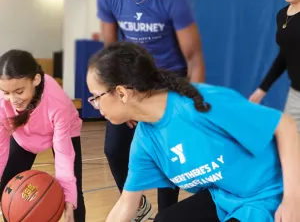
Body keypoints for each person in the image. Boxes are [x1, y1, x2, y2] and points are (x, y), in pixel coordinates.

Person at [86, 41, 300, 222]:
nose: (95, 104)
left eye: (96, 97)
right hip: (225, 198)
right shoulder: (145, 140)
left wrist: (293, 199)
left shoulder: (199, 104)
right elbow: (126, 204)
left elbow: (286, 125)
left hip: (270, 193)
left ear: (122, 93)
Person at [96, 0, 205, 220]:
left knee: (168, 156)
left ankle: (167, 214)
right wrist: (124, 98)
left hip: (168, 82)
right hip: (131, 80)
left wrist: (192, 107)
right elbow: (110, 52)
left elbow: (194, 58)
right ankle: (136, 204)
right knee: (113, 149)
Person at [0, 50, 86, 222]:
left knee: (73, 192)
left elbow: (63, 154)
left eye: (19, 91)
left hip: (63, 133)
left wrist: (69, 199)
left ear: (36, 80)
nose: (13, 99)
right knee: (6, 188)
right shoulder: (3, 101)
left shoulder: (57, 102)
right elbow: (0, 147)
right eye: (6, 92)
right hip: (24, 135)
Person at [249, 0, 300, 129]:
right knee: (290, 144)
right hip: (296, 94)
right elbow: (285, 55)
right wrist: (262, 89)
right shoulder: (282, 15)